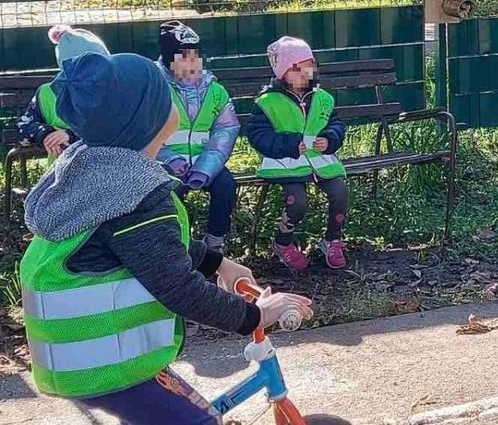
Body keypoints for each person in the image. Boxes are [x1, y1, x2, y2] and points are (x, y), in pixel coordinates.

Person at [19, 51, 312, 424]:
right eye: (164, 95)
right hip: (110, 366)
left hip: (84, 357)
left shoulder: (94, 171)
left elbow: (144, 246)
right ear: (149, 117)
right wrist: (255, 315)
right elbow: (178, 287)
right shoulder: (136, 195)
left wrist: (217, 262)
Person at [244, 36, 349, 271]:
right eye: (297, 69)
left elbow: (337, 125)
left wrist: (330, 139)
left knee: (340, 192)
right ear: (283, 73)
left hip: (321, 162)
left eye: (309, 66)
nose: (305, 73)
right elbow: (257, 135)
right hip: (286, 164)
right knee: (297, 202)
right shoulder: (267, 102)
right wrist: (289, 144)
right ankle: (283, 243)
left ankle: (332, 239)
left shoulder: (323, 99)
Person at [155, 20, 241, 254]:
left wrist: (207, 167)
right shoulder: (155, 88)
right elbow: (145, 133)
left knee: (225, 185)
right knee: (171, 193)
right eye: (184, 56)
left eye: (195, 55)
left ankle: (214, 243)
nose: (192, 62)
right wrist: (170, 159)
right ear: (169, 59)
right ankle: (177, 247)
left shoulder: (215, 90)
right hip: (165, 163)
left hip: (206, 161)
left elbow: (226, 129)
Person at [16, 25, 109, 161]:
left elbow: (117, 129)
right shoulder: (46, 93)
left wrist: (72, 136)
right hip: (61, 173)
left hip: (108, 170)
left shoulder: (113, 89)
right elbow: (22, 127)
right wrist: (46, 134)